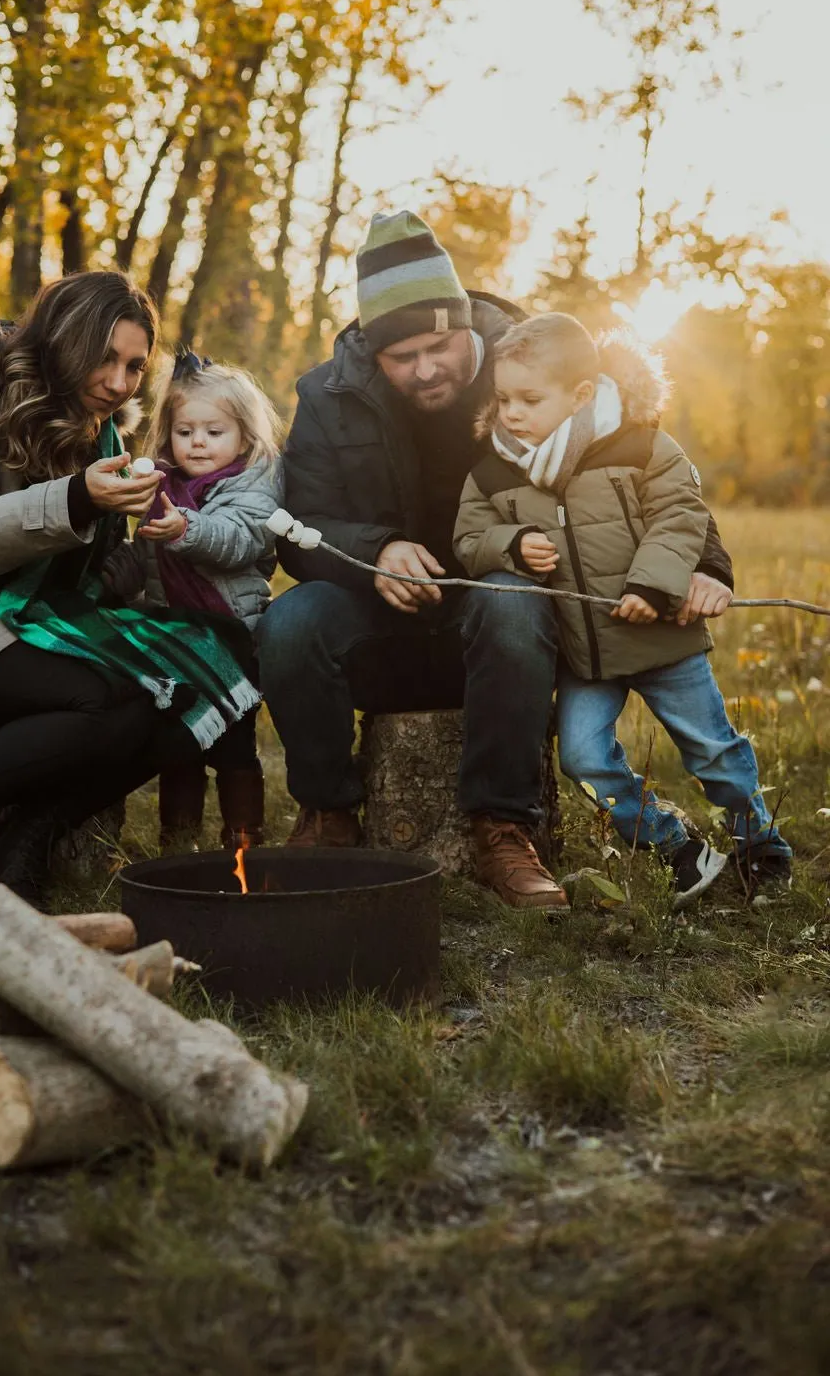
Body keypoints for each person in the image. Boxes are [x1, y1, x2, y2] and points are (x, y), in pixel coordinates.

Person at [257, 210, 736, 911]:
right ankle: (329, 814)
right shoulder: (325, 399)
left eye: (439, 346)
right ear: (369, 347)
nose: (424, 369)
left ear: (464, 323)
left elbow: (643, 467)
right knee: (291, 622)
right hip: (379, 620)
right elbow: (301, 527)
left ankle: (501, 826)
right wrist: (377, 552)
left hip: (511, 627)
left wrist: (711, 566)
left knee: (508, 596)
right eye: (401, 357)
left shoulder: (529, 364)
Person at [0, 272, 257, 905]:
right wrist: (78, 497)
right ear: (61, 340)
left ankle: (28, 833)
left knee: (209, 661)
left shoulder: (101, 431)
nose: (119, 382)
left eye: (135, 365)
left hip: (45, 618)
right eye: (105, 357)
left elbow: (90, 574)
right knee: (108, 700)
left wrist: (142, 551)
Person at [453, 312, 792, 899]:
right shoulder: (493, 469)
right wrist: (507, 544)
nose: (511, 412)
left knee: (712, 748)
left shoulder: (640, 444)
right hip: (585, 655)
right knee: (582, 756)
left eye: (530, 399)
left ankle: (760, 845)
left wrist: (654, 585)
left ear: (581, 394)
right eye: (503, 397)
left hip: (662, 638)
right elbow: (466, 538)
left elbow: (680, 515)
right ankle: (675, 845)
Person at [102, 351, 283, 849]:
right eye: (185, 432)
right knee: (181, 742)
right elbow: (146, 553)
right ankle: (177, 840)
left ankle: (243, 841)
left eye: (213, 431)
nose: (198, 442)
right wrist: (121, 573)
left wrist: (186, 526)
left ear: (244, 435)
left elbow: (239, 539)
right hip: (175, 640)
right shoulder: (162, 483)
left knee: (233, 747)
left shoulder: (255, 482)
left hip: (230, 639)